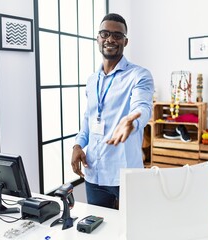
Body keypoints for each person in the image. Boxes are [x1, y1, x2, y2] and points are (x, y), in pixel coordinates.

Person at [71, 13, 154, 209]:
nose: (110, 39)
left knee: (134, 230)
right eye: (105, 33)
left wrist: (132, 121)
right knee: (99, 228)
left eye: (117, 35)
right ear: (98, 38)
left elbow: (142, 106)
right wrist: (77, 145)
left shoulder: (139, 75)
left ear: (125, 41)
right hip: (94, 173)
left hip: (125, 174)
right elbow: (88, 120)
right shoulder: (92, 80)